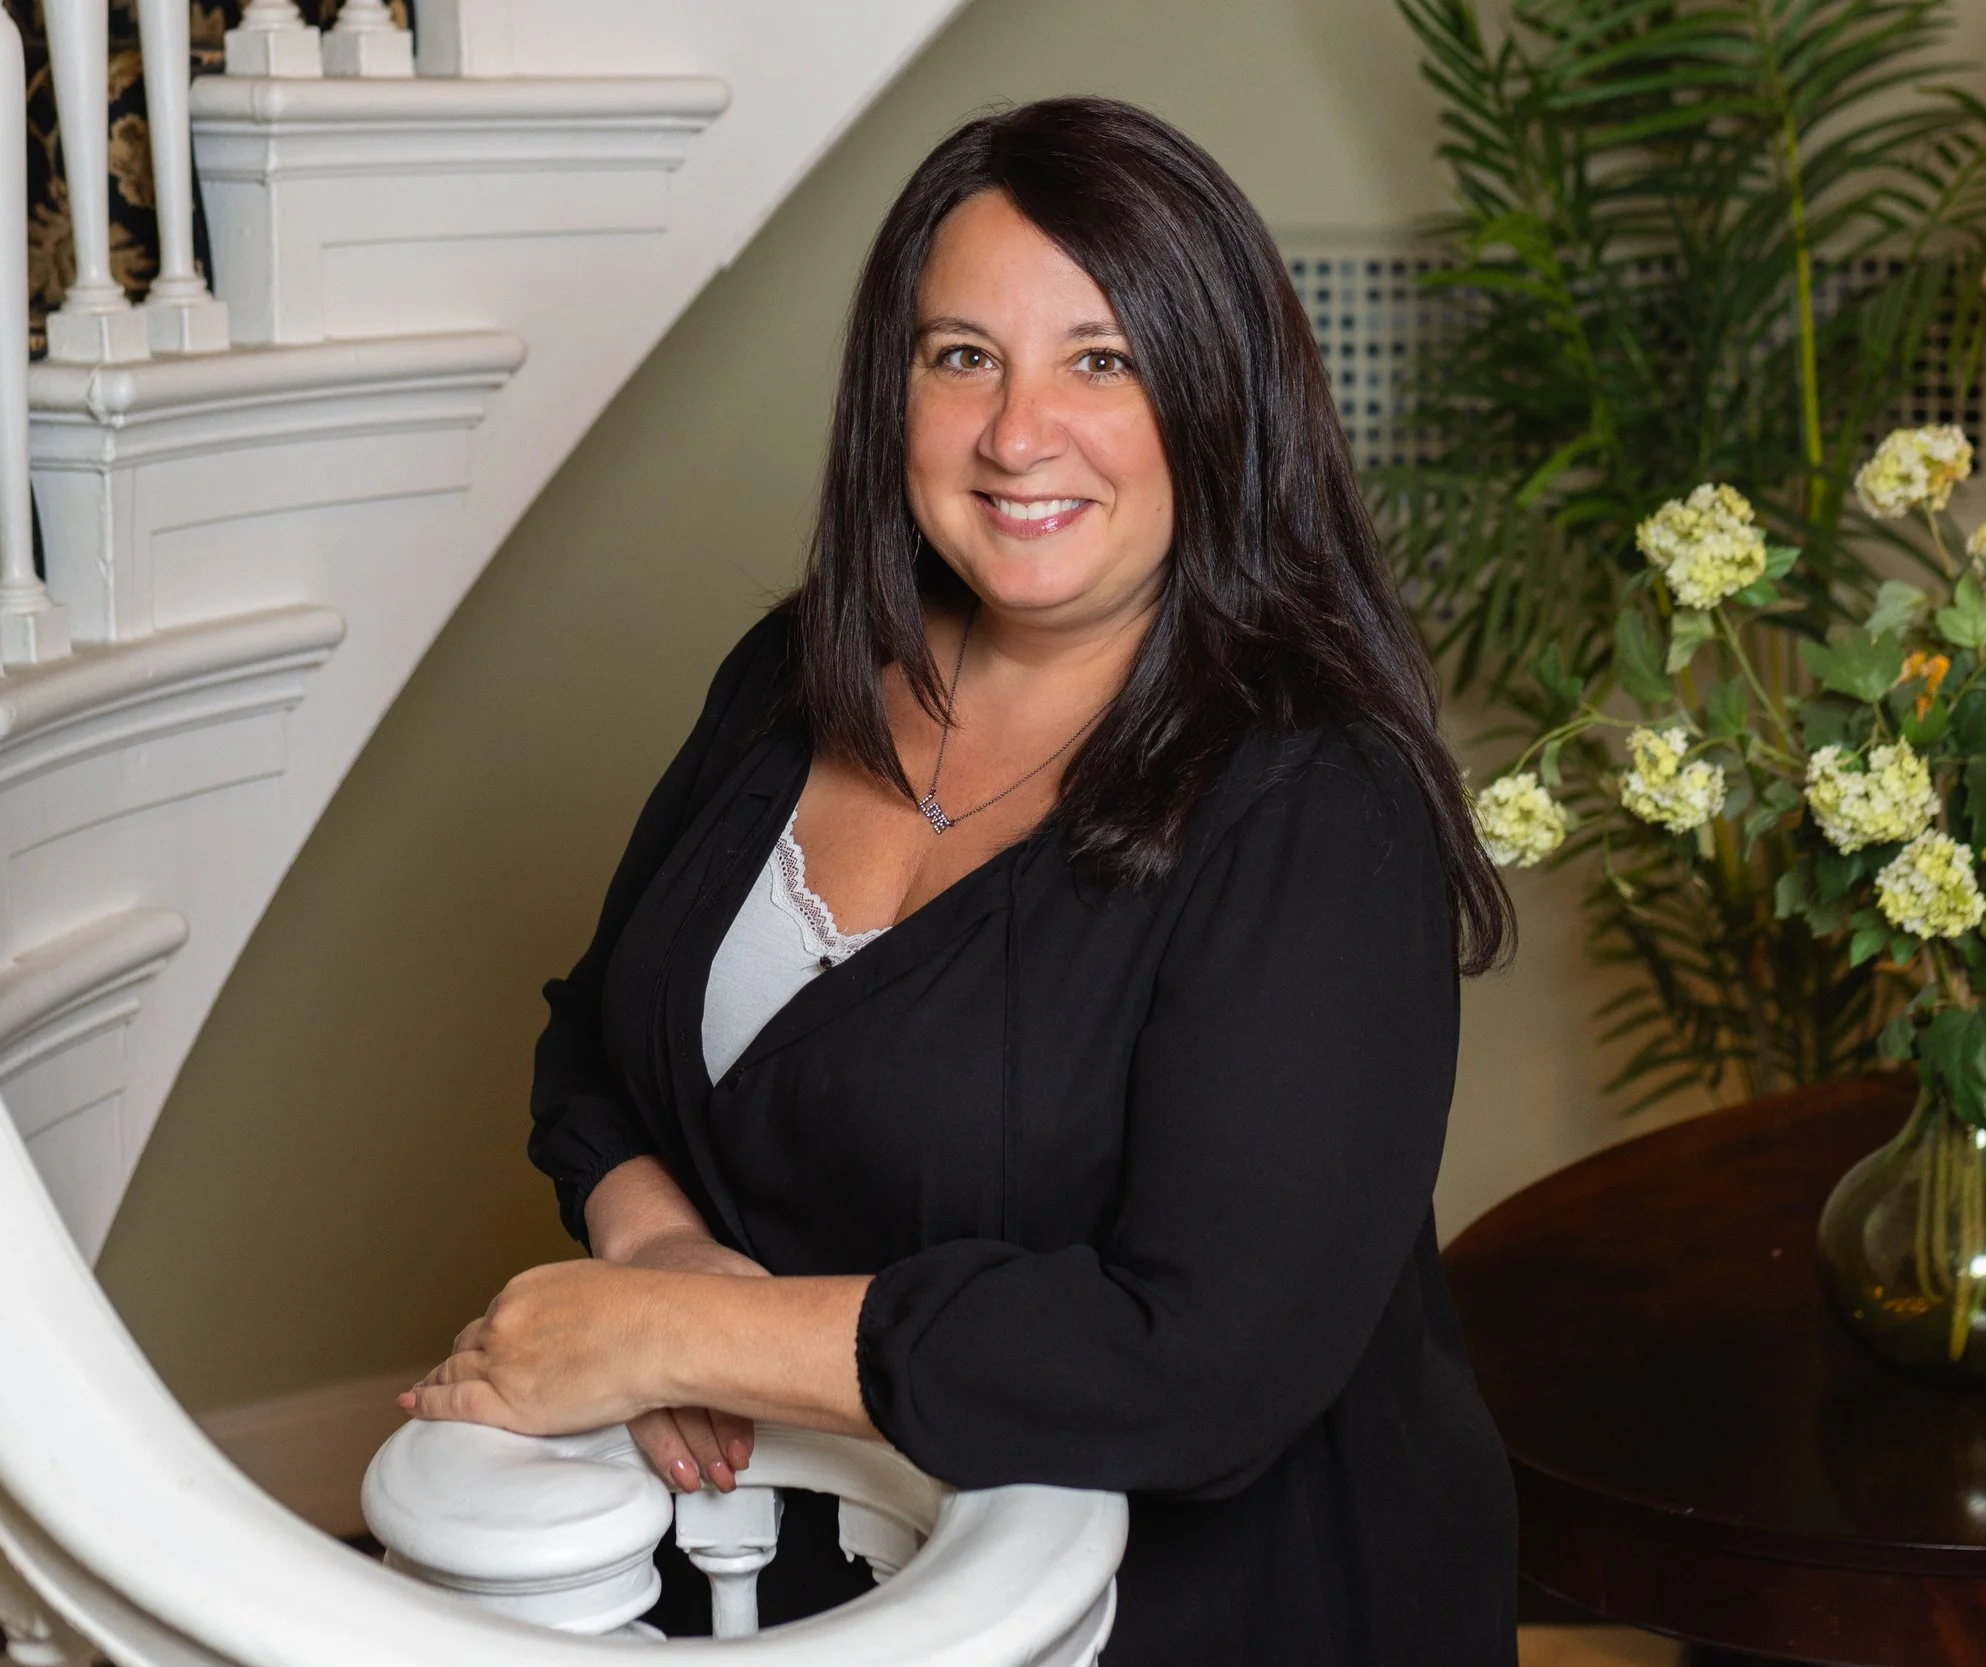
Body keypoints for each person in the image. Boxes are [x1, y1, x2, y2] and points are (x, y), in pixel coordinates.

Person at [403, 96, 1520, 1665]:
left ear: (1219, 395)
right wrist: (654, 1248)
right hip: (810, 1570)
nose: (1017, 432)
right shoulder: (791, 677)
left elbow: (1201, 1362)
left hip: (1214, 1614)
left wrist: (678, 1331)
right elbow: (599, 1042)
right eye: (962, 356)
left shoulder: (1318, 810)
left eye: (1101, 360)